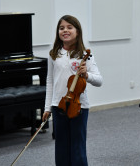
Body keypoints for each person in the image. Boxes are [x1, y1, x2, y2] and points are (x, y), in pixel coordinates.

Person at [42, 15, 103, 166]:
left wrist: (86, 75)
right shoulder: (53, 54)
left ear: (77, 31)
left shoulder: (85, 55)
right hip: (58, 105)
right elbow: (50, 81)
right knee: (61, 146)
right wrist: (47, 107)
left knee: (78, 146)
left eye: (69, 27)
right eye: (61, 28)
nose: (65, 30)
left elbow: (99, 80)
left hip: (79, 106)